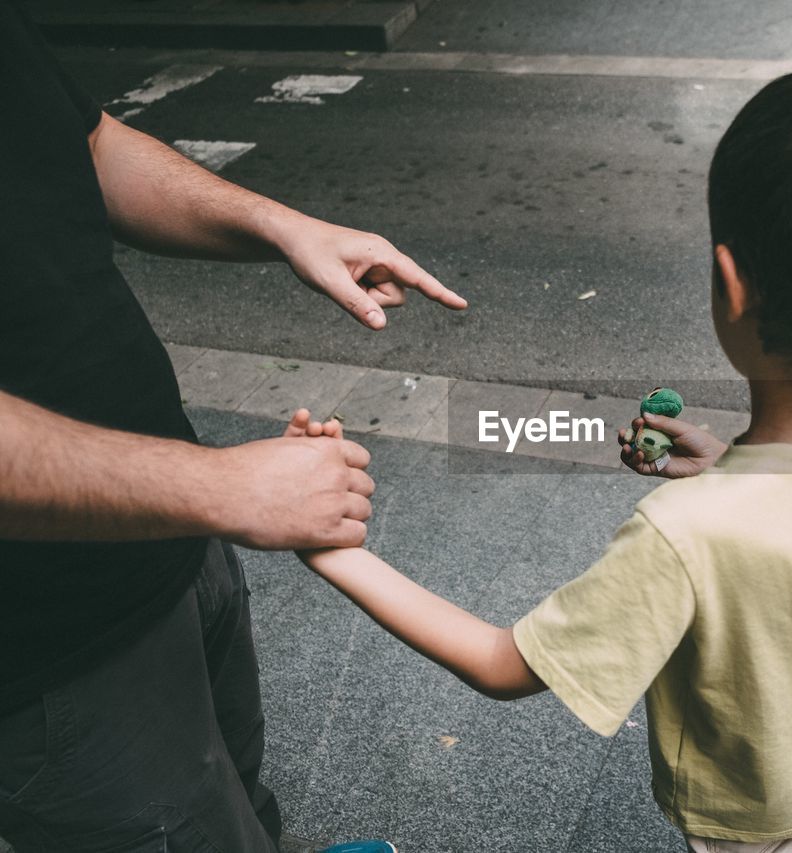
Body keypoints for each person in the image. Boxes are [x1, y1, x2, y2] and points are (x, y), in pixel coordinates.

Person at [292, 62, 792, 851]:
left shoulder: (684, 534)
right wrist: (736, 470)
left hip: (747, 810)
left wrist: (327, 544)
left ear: (730, 285)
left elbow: (502, 662)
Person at [0, 3, 464, 851]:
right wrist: (227, 486)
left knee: (238, 794)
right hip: (52, 640)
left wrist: (284, 226)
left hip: (178, 529)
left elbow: (83, 141)